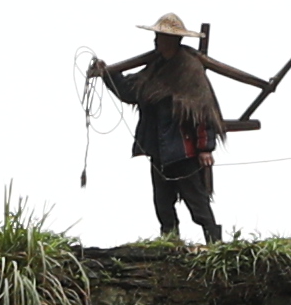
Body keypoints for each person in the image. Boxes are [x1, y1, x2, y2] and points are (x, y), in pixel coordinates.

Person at [90, 15, 236, 243]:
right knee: (163, 202)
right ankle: (169, 245)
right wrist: (109, 74)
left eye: (162, 37)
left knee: (197, 201)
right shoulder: (155, 67)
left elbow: (203, 112)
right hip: (159, 149)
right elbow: (130, 91)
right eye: (157, 37)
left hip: (184, 150)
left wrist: (205, 148)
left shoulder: (190, 70)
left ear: (173, 40)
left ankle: (215, 244)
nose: (157, 41)